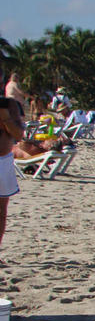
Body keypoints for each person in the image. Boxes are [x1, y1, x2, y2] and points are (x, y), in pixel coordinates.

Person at [0, 95, 26, 246]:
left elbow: (18, 135)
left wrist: (5, 118)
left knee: (1, 211)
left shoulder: (9, 105)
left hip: (2, 161)